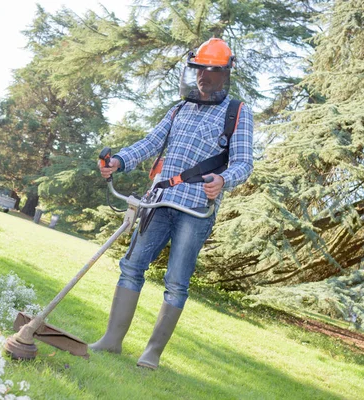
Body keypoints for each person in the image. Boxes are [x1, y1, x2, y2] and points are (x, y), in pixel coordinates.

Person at [91, 38, 254, 369]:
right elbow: (151, 142)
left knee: (176, 281)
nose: (202, 77)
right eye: (198, 69)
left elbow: (244, 163)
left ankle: (151, 354)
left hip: (195, 210)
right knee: (132, 266)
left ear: (225, 74)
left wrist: (224, 180)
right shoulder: (179, 109)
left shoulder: (237, 113)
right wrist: (119, 160)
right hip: (159, 201)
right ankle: (111, 341)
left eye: (210, 71)